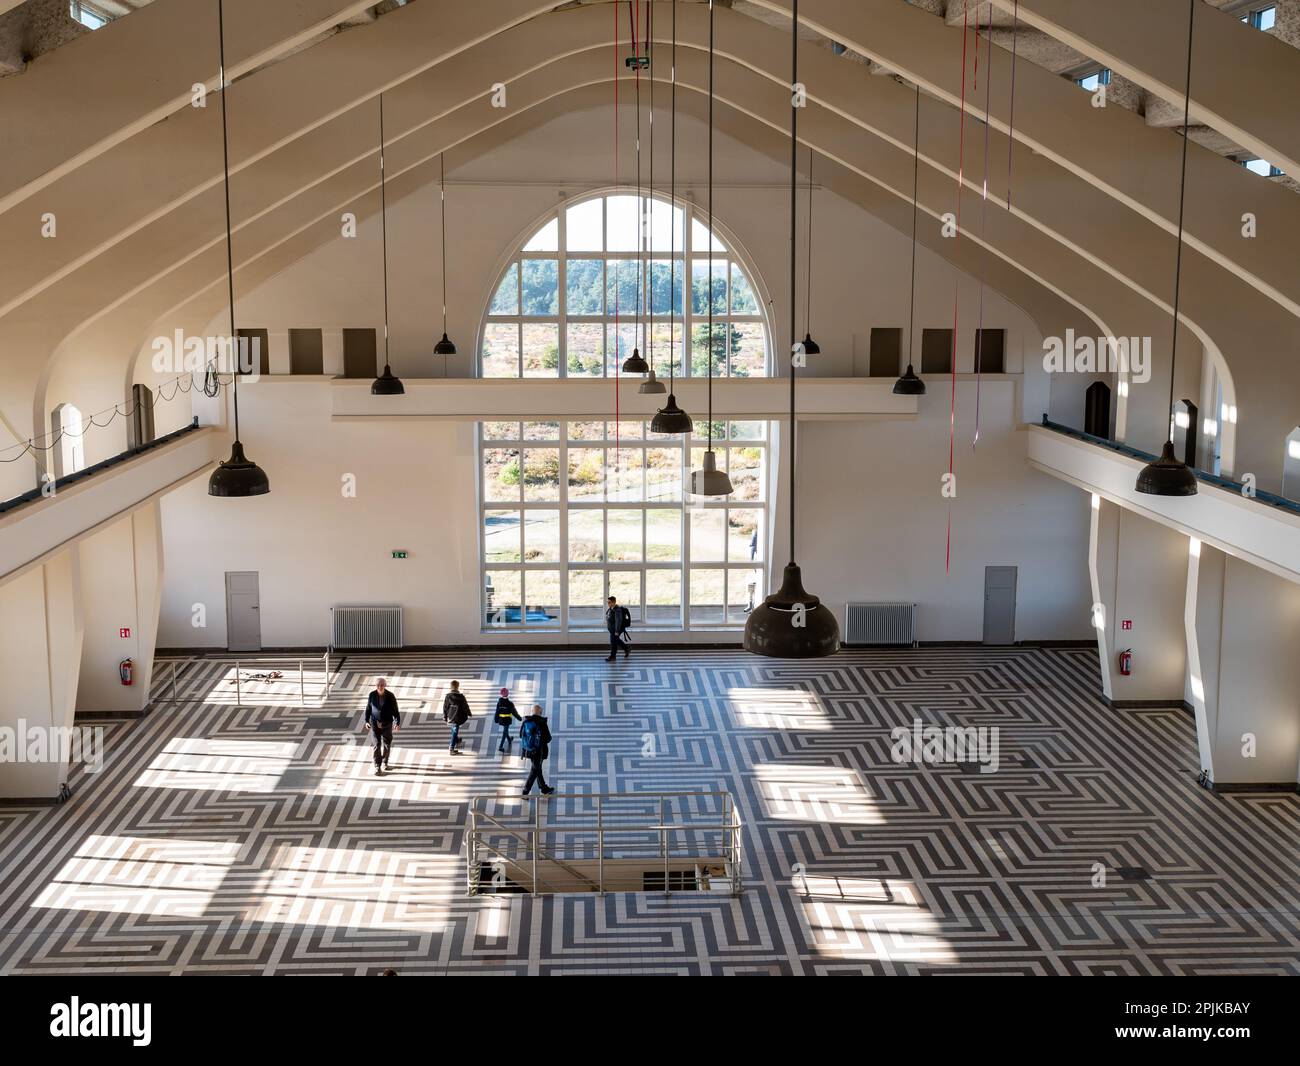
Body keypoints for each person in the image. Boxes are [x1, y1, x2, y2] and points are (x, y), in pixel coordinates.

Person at [364, 677, 400, 775]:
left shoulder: (390, 696)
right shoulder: (372, 695)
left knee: (387, 744)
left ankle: (385, 761)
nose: (380, 687)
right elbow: (368, 709)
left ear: (385, 685)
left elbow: (395, 710)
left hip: (387, 723)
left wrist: (397, 722)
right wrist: (366, 721)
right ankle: (377, 766)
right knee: (377, 745)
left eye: (382, 685)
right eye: (378, 685)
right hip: (375, 723)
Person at [518, 704, 554, 797]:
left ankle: (544, 788)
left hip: (529, 750)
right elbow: (548, 738)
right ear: (540, 713)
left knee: (537, 768)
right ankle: (525, 792)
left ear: (532, 712)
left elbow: (521, 735)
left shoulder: (526, 721)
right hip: (539, 751)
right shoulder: (542, 722)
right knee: (535, 770)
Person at [442, 680, 472, 755]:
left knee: (454, 728)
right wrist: (469, 713)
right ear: (458, 687)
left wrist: (445, 717)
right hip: (458, 717)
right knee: (455, 731)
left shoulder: (448, 696)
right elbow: (465, 707)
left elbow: (445, 707)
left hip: (451, 716)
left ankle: (457, 740)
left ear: (451, 687)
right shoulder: (461, 697)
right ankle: (451, 748)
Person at [494, 687, 521, 753]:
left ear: (501, 694)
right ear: (508, 694)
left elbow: (497, 711)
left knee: (505, 731)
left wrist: (496, 719)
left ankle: (509, 740)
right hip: (507, 720)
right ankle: (501, 746)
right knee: (504, 732)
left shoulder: (499, 703)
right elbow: (514, 712)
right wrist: (519, 718)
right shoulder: (510, 703)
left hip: (501, 720)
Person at [604, 595, 631, 662]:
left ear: (613, 602)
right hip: (612, 629)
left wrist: (617, 631)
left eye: (609, 602)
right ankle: (626, 648)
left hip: (616, 629)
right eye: (608, 602)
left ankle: (613, 656)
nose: (608, 603)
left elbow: (618, 621)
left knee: (613, 642)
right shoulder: (611, 608)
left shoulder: (617, 610)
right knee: (616, 640)